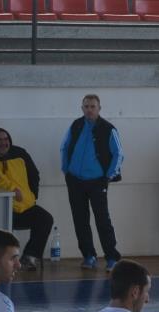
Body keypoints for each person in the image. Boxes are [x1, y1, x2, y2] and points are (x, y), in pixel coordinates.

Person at [60, 94, 123, 271]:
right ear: (82, 108)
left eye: (92, 106)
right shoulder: (76, 125)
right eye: (86, 106)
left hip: (97, 182)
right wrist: (66, 169)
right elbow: (64, 147)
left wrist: (108, 176)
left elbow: (119, 154)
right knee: (80, 220)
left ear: (99, 108)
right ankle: (89, 255)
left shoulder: (108, 129)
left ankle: (112, 257)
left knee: (102, 219)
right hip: (75, 181)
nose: (89, 109)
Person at [0, 127, 54, 272]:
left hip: (26, 206)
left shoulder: (20, 154)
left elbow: (34, 174)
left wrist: (32, 195)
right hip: (2, 208)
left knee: (45, 219)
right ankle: (3, 262)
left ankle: (30, 257)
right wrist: (12, 188)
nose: (3, 143)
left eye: (6, 139)